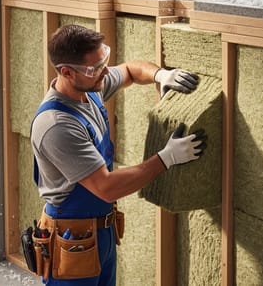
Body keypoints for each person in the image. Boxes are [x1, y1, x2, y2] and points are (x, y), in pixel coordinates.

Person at [31, 23, 206, 286]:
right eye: (95, 68)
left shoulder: (90, 87)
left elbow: (130, 70)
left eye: (104, 61)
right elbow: (106, 187)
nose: (104, 73)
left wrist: (160, 76)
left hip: (101, 231)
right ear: (66, 72)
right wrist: (166, 158)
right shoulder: (57, 125)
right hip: (71, 237)